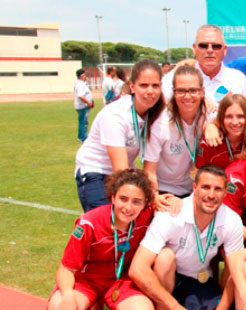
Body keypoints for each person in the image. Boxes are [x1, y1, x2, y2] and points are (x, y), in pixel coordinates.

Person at [129, 165, 245, 310]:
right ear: (194, 188)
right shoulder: (171, 214)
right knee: (165, 257)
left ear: (225, 192)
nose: (211, 194)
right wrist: (174, 307)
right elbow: (138, 268)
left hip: (197, 281)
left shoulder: (231, 220)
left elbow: (236, 272)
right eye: (205, 187)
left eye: (218, 189)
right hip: (166, 277)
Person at [47, 169, 156, 310]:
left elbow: (174, 206)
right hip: (87, 281)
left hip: (120, 281)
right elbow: (66, 268)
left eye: (136, 201)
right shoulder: (89, 223)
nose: (129, 207)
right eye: (123, 199)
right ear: (112, 197)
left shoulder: (148, 215)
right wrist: (67, 295)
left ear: (146, 203)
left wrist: (172, 201)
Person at [74, 60, 166, 212]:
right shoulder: (115, 115)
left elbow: (149, 168)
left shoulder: (156, 115)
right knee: (105, 222)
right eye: (144, 85)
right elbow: (121, 169)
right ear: (132, 86)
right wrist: (151, 196)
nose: (150, 91)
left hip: (125, 172)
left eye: (155, 85)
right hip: (96, 171)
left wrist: (154, 194)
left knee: (130, 222)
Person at [145, 65, 214, 200]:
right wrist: (156, 197)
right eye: (181, 90)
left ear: (202, 92)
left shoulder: (210, 117)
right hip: (166, 190)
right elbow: (149, 171)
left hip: (200, 190)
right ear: (174, 92)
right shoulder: (161, 124)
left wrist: (214, 126)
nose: (187, 96)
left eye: (193, 90)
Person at [162, 24, 246, 102]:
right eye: (203, 46)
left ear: (224, 50)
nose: (209, 50)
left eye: (216, 46)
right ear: (194, 49)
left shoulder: (238, 79)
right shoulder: (174, 78)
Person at [196, 94, 246, 169]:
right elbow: (199, 175)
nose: (235, 122)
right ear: (221, 118)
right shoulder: (208, 144)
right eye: (229, 117)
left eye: (240, 116)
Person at [74, 68, 95, 142]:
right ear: (82, 76)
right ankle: (83, 137)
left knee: (83, 121)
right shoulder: (80, 84)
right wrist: (88, 103)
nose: (86, 76)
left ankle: (81, 136)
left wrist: (91, 101)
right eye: (85, 75)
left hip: (83, 106)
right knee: (83, 121)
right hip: (82, 106)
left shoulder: (82, 84)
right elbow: (80, 96)